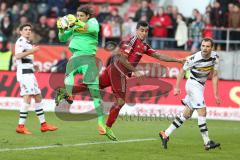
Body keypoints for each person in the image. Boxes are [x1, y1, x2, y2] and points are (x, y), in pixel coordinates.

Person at [57, 21, 184, 141]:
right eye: (142, 30)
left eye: (146, 31)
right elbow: (123, 59)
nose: (144, 33)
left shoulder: (144, 46)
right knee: (121, 101)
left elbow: (159, 55)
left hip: (113, 69)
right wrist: (136, 70)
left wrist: (177, 60)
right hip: (118, 71)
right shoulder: (131, 41)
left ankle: (66, 91)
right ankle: (107, 127)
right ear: (136, 30)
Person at [159, 38, 221, 150]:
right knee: (202, 110)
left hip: (201, 86)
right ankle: (207, 142)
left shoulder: (215, 57)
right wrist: (177, 87)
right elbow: (182, 71)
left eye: (207, 46)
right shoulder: (194, 58)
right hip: (192, 84)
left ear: (212, 48)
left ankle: (165, 133)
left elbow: (215, 75)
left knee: (186, 114)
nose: (204, 48)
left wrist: (216, 94)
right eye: (203, 46)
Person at [55, 6, 108, 137]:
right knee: (68, 74)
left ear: (87, 16)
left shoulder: (93, 22)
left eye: (81, 16)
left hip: (89, 59)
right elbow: (62, 38)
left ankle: (101, 123)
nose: (78, 18)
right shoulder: (74, 26)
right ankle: (69, 94)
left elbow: (93, 29)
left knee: (95, 93)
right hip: (76, 56)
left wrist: (76, 22)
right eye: (77, 16)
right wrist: (61, 29)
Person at [15, 23, 57, 135]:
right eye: (25, 29)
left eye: (29, 29)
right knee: (28, 98)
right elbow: (18, 56)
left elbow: (24, 59)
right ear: (21, 32)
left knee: (38, 97)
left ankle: (44, 125)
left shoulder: (27, 43)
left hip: (29, 73)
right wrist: (32, 51)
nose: (28, 31)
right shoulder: (20, 41)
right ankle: (20, 126)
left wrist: (33, 65)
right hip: (24, 74)